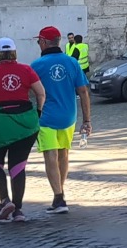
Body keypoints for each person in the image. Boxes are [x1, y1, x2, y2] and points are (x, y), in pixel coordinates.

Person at [0, 37, 45, 223]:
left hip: (1, 122)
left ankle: (5, 200)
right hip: (25, 124)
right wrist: (38, 112)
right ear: (15, 53)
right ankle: (18, 210)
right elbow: (41, 93)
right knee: (18, 166)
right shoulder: (26, 69)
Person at [32, 26, 93, 213]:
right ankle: (60, 193)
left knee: (50, 155)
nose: (38, 44)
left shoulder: (36, 65)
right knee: (63, 154)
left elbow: (28, 93)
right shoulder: (72, 62)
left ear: (44, 42)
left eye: (38, 41)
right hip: (68, 117)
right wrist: (87, 121)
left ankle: (58, 198)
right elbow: (83, 91)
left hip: (46, 117)